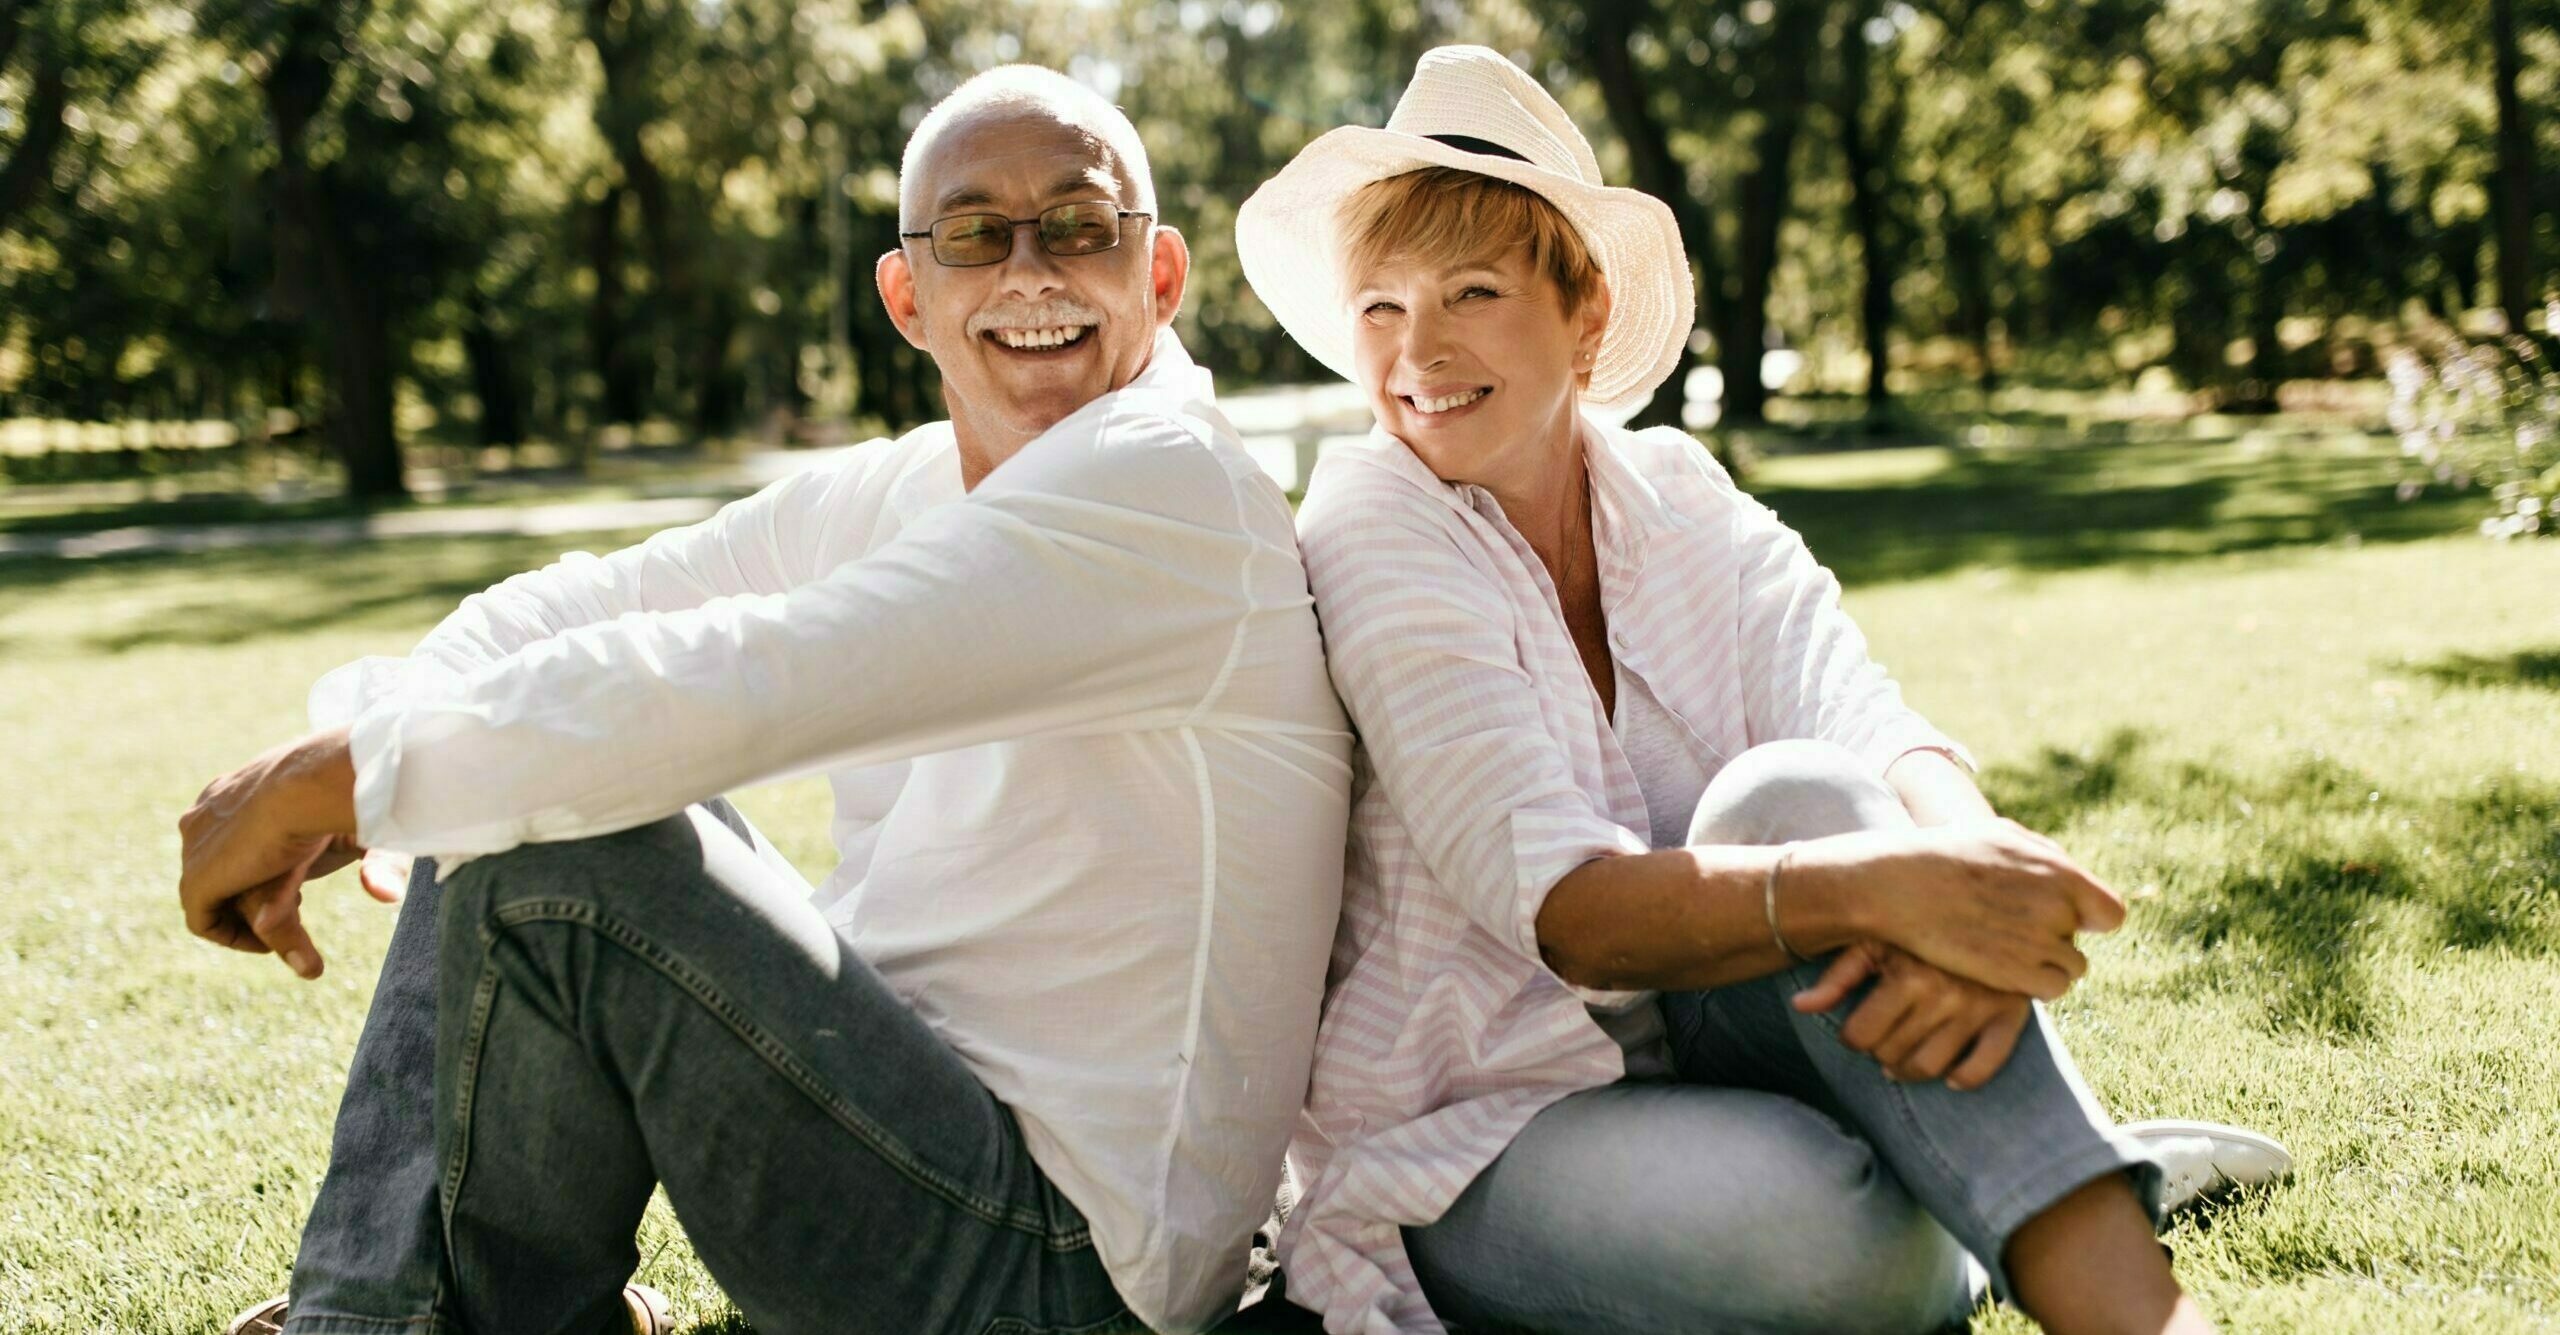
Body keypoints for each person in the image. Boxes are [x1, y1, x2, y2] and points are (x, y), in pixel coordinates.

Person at [182, 64, 1351, 1335]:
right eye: (975, 235)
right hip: (918, 1132)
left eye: (1079, 226)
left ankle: (375, 1321)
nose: (1031, 271)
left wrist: (348, 778)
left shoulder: (1163, 487)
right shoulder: (910, 483)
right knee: (521, 761)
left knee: (568, 823)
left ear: (1158, 275)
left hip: (1067, 1274)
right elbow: (580, 611)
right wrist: (372, 735)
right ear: (910, 296)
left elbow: (747, 681)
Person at [1233, 46, 2287, 1335]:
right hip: (1484, 1125)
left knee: (1798, 790)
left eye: (1471, 290)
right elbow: (1569, 914)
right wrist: (1882, 889)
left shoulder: (1678, 494)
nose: (1418, 351)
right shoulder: (1371, 520)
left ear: (1585, 315)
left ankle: (2132, 1306)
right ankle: (2048, 1172)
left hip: (1728, 1037)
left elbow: (1862, 718)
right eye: (1380, 308)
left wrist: (1964, 874)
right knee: (1842, 1257)